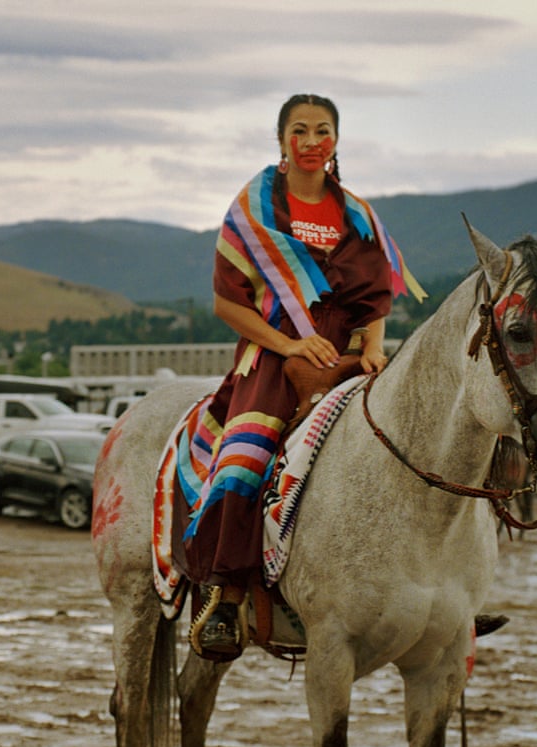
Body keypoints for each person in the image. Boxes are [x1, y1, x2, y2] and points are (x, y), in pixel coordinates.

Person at [176, 94, 424, 659]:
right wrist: (289, 343)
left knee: (414, 446)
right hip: (271, 355)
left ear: (337, 140)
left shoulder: (357, 213)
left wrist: (375, 348)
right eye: (300, 130)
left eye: (323, 131)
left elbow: (375, 299)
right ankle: (224, 593)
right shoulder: (251, 210)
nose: (313, 141)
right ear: (281, 139)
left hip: (349, 355)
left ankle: (432, 590)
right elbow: (225, 304)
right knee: (243, 458)